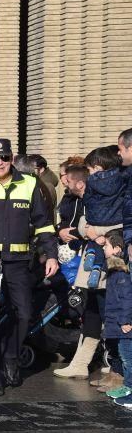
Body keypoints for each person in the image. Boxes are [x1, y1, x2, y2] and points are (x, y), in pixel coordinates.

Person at [0, 138, 58, 396]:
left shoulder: (30, 183)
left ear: (12, 158)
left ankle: (10, 356)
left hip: (19, 264)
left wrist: (51, 254)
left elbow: (43, 223)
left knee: (23, 314)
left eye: (5, 157)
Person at [80, 146, 125, 289]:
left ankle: (93, 258)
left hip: (96, 226)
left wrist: (89, 228)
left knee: (97, 246)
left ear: (97, 167)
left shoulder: (91, 182)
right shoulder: (122, 180)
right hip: (117, 227)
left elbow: (86, 203)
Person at [96, 230, 132, 406]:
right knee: (124, 356)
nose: (103, 248)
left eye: (107, 246)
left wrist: (125, 321)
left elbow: (127, 299)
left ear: (117, 249)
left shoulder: (121, 273)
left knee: (128, 358)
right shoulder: (112, 269)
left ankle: (130, 388)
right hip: (117, 323)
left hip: (123, 324)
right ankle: (127, 386)